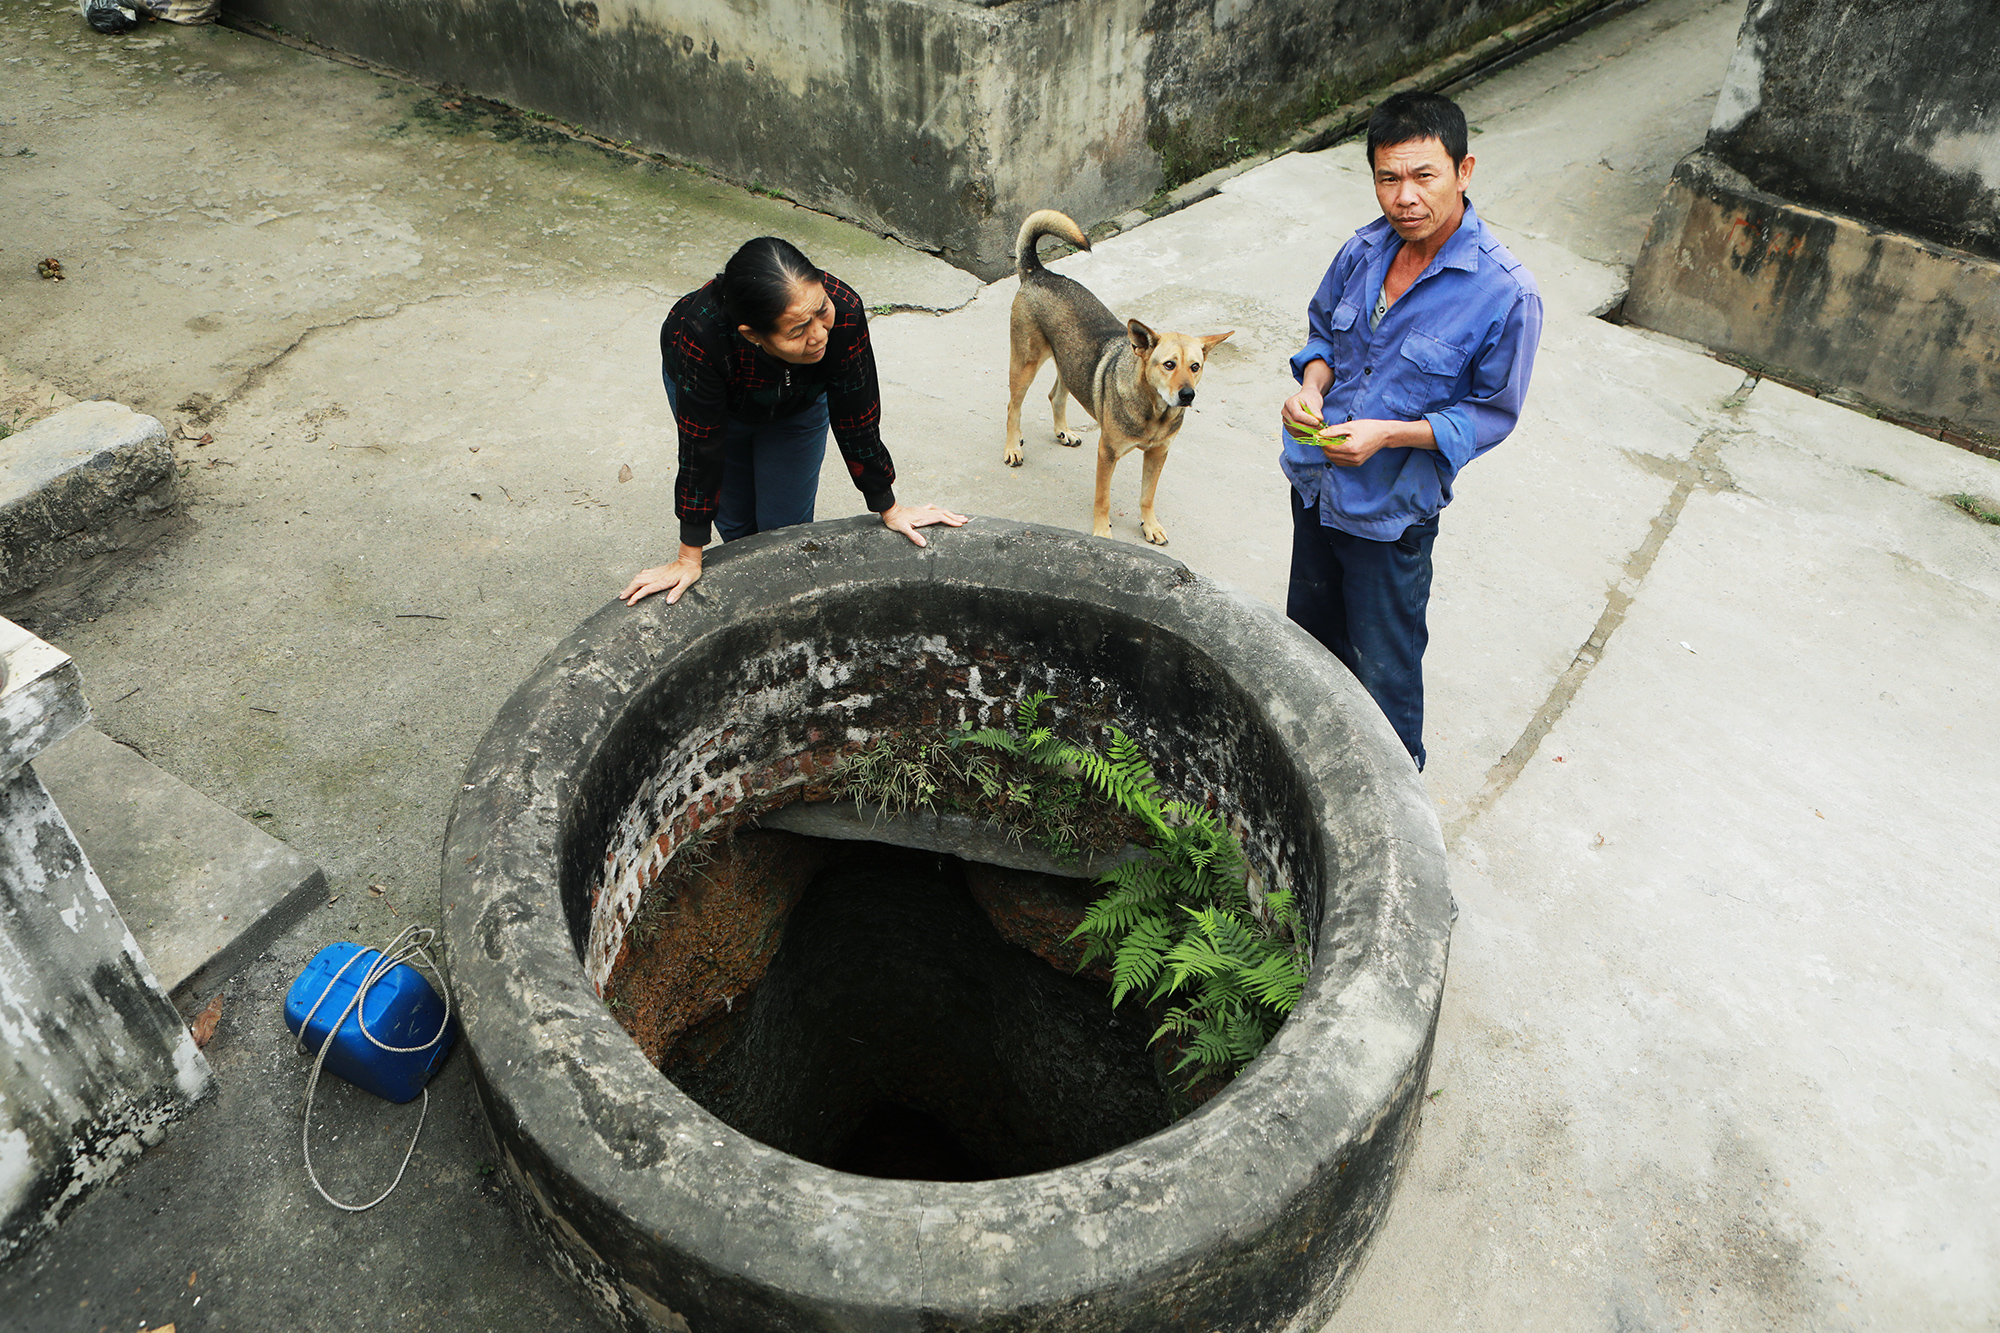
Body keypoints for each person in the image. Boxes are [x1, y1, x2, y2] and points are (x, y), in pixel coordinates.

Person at [1280, 90, 1543, 771]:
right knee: (1308, 655)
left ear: (1464, 170)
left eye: (1424, 175)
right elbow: (1321, 334)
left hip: (1389, 519)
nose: (1404, 198)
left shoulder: (1505, 293)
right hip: (1315, 489)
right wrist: (1310, 387)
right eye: (1388, 177)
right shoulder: (1363, 250)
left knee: (1384, 686)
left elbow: (1491, 413)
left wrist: (1390, 435)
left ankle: (1391, 832)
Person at [620, 237, 966, 605]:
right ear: (753, 335)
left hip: (799, 405)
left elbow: (857, 412)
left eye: (821, 311)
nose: (819, 335)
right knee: (736, 525)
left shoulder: (843, 311)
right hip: (720, 406)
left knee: (786, 528)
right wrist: (688, 557)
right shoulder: (699, 334)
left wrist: (889, 505)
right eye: (798, 330)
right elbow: (701, 446)